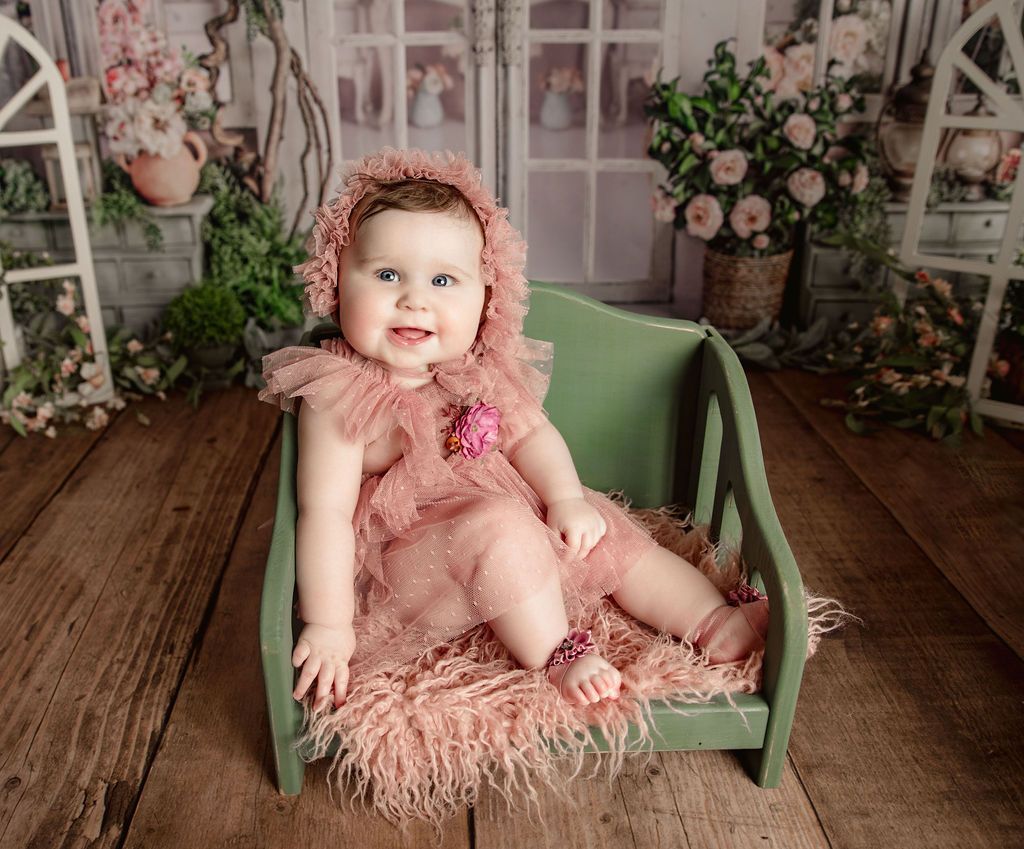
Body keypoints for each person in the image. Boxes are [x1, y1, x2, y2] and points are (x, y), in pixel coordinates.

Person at [259, 147, 769, 713]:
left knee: (601, 528)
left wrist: (566, 498)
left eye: (444, 280)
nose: (414, 299)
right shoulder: (339, 390)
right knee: (500, 526)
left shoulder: (481, 371)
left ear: (485, 297)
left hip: (505, 516)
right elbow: (325, 511)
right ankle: (559, 654)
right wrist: (329, 624)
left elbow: (533, 437)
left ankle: (711, 621)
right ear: (336, 281)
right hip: (413, 558)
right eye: (385, 274)